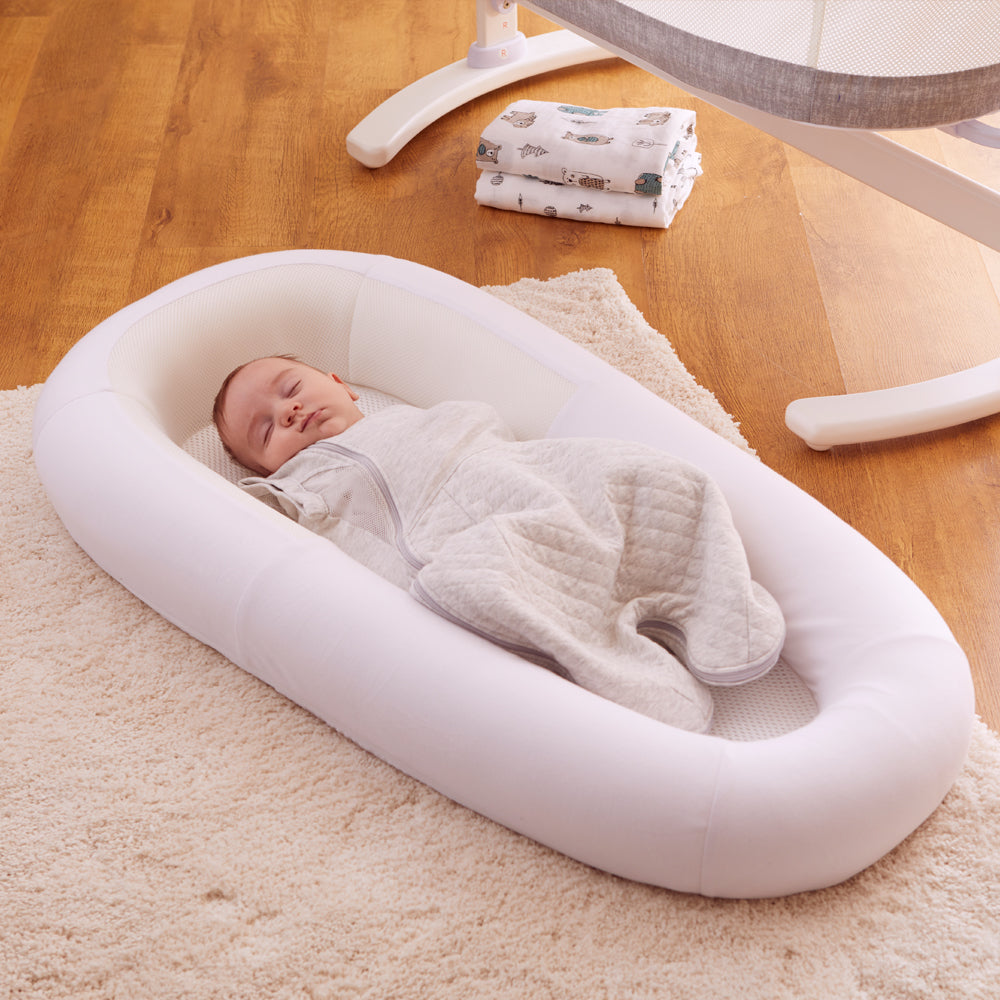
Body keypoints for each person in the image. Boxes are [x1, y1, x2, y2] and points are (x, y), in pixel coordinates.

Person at [214, 356, 785, 732]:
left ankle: (715, 608)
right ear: (266, 469)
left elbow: (488, 433)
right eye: (266, 431)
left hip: (524, 476)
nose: (286, 411)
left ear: (339, 383)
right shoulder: (297, 490)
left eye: (289, 389)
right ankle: (621, 668)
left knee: (653, 476)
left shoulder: (415, 417)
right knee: (471, 583)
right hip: (468, 540)